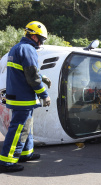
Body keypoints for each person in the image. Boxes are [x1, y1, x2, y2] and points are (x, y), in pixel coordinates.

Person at [0, 21, 51, 173]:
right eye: (41, 39)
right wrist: (44, 94)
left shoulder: (17, 48)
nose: (41, 43)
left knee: (26, 126)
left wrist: (42, 77)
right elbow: (32, 77)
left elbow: (26, 72)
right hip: (23, 97)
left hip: (18, 95)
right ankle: (7, 161)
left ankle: (25, 153)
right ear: (34, 36)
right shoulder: (28, 49)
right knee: (18, 129)